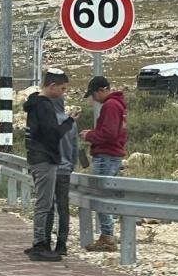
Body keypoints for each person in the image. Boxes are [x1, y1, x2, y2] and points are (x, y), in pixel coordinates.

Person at [23, 69, 80, 262]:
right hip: (45, 159)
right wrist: (70, 122)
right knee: (45, 204)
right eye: (62, 89)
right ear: (53, 86)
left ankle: (41, 242)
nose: (63, 93)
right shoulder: (44, 106)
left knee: (44, 203)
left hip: (36, 158)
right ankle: (40, 245)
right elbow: (53, 134)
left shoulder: (34, 104)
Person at [80, 76, 127, 253]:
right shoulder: (117, 105)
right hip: (112, 155)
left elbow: (108, 134)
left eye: (93, 95)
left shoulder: (110, 106)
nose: (93, 99)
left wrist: (90, 136)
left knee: (100, 196)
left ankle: (107, 236)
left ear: (101, 90)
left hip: (106, 156)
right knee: (104, 195)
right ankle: (107, 235)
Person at [43, 95, 78, 256]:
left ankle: (45, 242)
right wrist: (71, 165)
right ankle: (62, 244)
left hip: (48, 170)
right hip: (64, 170)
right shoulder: (71, 123)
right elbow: (75, 148)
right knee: (63, 208)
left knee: (47, 207)